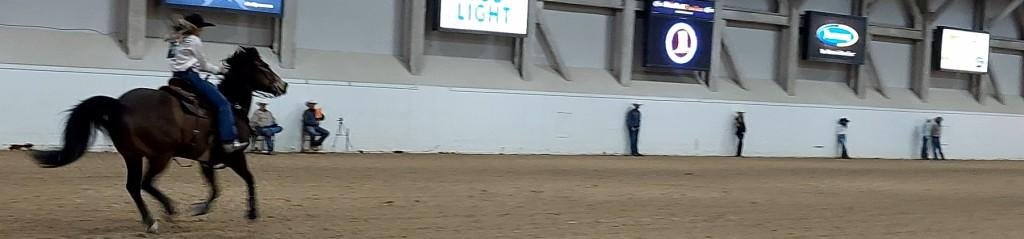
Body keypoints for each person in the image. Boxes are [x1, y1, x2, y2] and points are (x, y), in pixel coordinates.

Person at [167, 13, 247, 152]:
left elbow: (171, 58)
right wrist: (219, 71)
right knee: (223, 104)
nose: (202, 30)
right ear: (196, 28)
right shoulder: (195, 40)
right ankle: (228, 141)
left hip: (176, 77)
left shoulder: (176, 40)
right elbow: (204, 65)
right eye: (201, 28)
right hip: (191, 76)